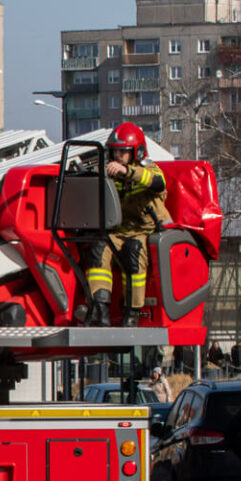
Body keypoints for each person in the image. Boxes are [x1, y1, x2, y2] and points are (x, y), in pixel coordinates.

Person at [77, 122, 171, 328]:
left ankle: (132, 312)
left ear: (136, 152)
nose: (117, 156)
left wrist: (126, 171)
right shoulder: (109, 173)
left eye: (123, 151)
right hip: (117, 231)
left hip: (145, 232)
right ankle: (100, 309)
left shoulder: (148, 169)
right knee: (96, 249)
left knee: (133, 252)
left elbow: (158, 183)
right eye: (114, 152)